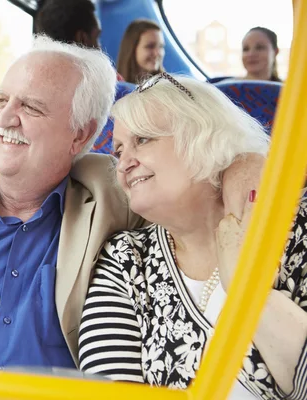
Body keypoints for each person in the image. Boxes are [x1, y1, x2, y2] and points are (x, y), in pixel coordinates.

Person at [0, 37, 263, 400]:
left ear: (81, 134)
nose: (3, 119)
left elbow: (201, 163)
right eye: (2, 100)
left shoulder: (119, 190)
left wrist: (246, 167)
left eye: (32, 108)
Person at [78, 72, 307, 399]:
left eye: (143, 139)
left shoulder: (297, 223)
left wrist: (247, 288)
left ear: (202, 136)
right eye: (117, 151)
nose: (124, 163)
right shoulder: (126, 259)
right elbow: (108, 391)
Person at [116, 19, 165, 84]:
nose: (158, 53)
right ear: (132, 49)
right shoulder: (115, 87)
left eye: (161, 46)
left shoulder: (169, 85)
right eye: (150, 46)